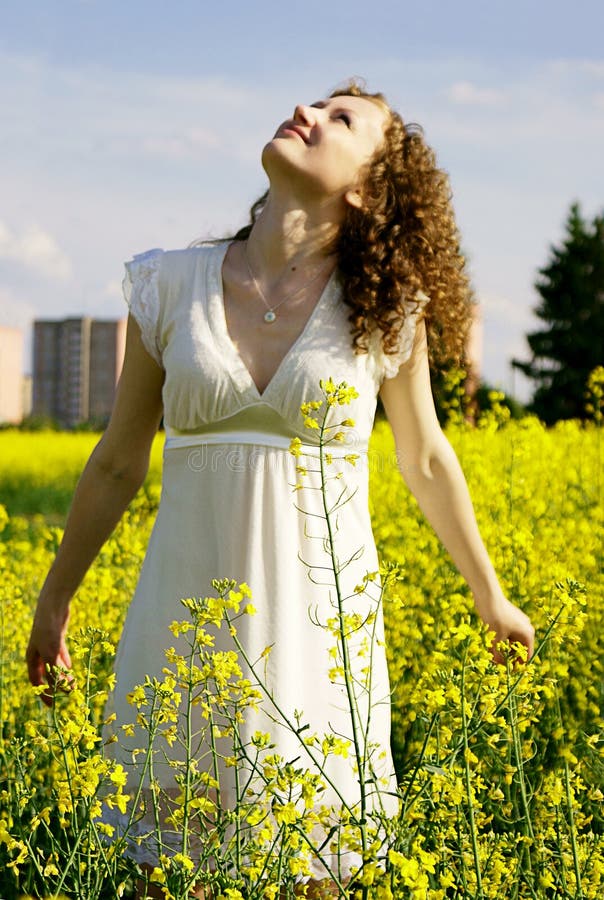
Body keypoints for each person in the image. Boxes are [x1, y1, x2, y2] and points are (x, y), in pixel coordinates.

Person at [26, 80, 535, 899]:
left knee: (314, 873)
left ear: (368, 189)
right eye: (313, 103)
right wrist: (54, 604)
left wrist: (491, 597)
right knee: (168, 873)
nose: (309, 113)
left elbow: (427, 459)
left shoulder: (385, 310)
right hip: (183, 629)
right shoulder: (167, 286)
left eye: (342, 120)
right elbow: (118, 460)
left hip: (318, 639)